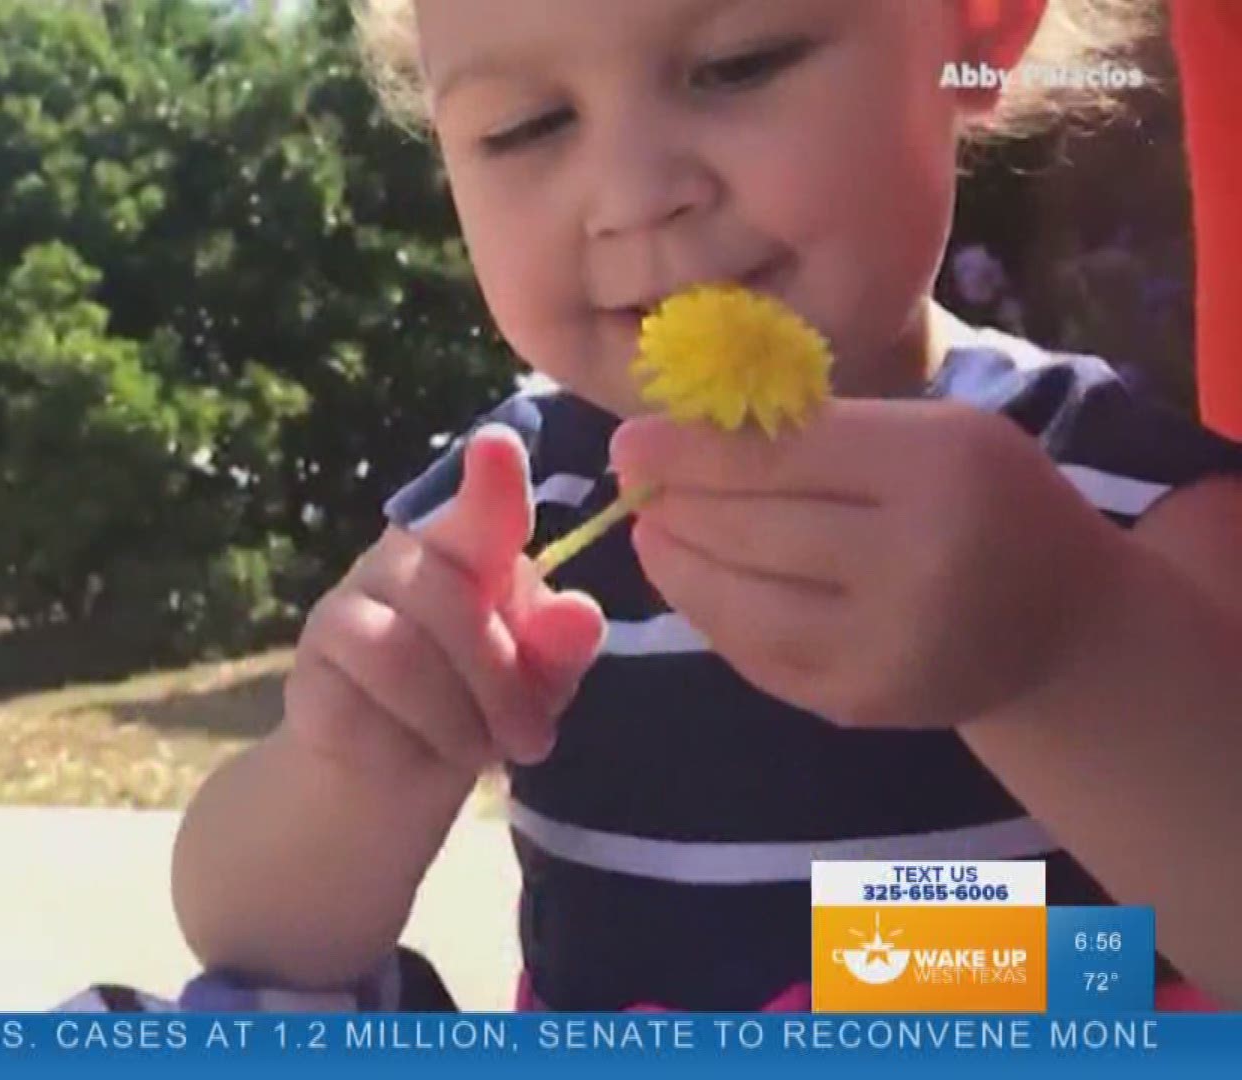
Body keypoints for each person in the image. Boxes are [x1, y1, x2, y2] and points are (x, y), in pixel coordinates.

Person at [137, 0, 1242, 1013]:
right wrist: (343, 773)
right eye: (526, 126)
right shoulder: (510, 507)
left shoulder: (1119, 498)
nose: (634, 194)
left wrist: (1072, 650)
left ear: (976, 33)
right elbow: (248, 942)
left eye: (739, 64)